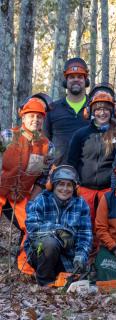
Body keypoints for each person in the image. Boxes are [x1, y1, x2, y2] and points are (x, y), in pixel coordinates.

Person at [0, 93, 55, 275]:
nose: (35, 120)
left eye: (39, 117)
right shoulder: (9, 136)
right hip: (1, 190)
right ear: (23, 116)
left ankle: (25, 267)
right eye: (31, 116)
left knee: (31, 225)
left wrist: (32, 200)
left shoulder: (47, 146)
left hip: (22, 195)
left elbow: (42, 177)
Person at [25, 165, 92, 286]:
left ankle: (63, 279)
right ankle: (45, 284)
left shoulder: (81, 204)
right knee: (50, 243)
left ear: (74, 187)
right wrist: (57, 230)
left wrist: (80, 256)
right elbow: (32, 228)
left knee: (85, 277)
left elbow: (85, 236)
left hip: (68, 257)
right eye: (61, 184)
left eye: (69, 185)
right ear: (53, 185)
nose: (65, 189)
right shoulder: (42, 200)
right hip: (40, 253)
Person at [66, 83, 116, 225]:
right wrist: (74, 185)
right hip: (84, 190)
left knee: (104, 226)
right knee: (84, 226)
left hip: (108, 191)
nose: (102, 113)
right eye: (98, 109)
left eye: (106, 109)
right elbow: (71, 162)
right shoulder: (81, 134)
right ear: (91, 111)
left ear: (112, 111)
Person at [45, 57, 90, 160]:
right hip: (59, 172)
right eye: (71, 77)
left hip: (88, 172)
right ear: (66, 81)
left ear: (86, 80)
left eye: (80, 77)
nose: (76, 80)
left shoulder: (95, 108)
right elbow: (45, 142)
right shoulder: (52, 109)